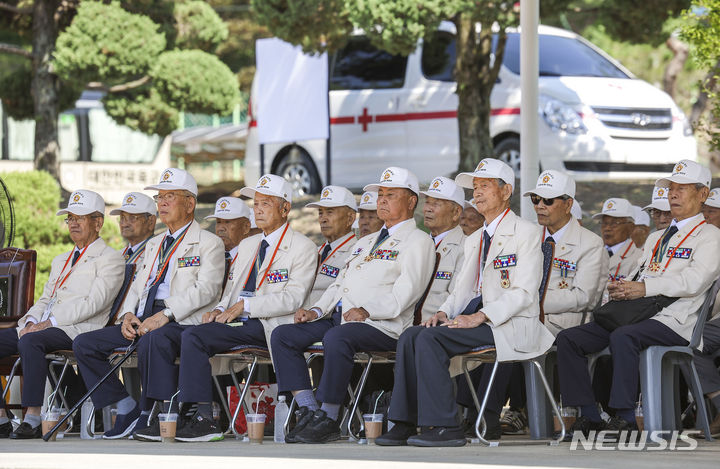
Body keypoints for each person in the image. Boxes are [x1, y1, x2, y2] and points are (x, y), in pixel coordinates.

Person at [376, 158, 554, 447]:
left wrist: (480, 316)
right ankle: (404, 422)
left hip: (508, 323)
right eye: (475, 187)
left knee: (430, 341)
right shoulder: (475, 238)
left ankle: (446, 425)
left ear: (506, 191)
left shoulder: (527, 233)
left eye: (484, 186)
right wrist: (444, 311)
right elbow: (461, 290)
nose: (477, 193)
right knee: (411, 335)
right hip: (476, 318)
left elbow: (524, 292)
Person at [557, 159, 720, 441]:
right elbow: (640, 274)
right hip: (637, 313)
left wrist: (644, 288)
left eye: (682, 188)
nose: (673, 194)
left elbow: (694, 282)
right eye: (671, 188)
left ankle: (626, 417)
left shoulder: (711, 236)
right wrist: (623, 287)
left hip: (676, 320)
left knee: (623, 336)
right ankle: (589, 415)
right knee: (569, 339)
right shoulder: (657, 237)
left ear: (702, 194)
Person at [284, 167, 435, 444]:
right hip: (344, 319)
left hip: (383, 325)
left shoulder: (419, 241)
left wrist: (367, 310)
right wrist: (316, 310)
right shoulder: (365, 241)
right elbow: (340, 284)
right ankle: (309, 409)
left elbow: (407, 293)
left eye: (391, 194)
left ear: (411, 202)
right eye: (380, 194)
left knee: (338, 336)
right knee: (284, 334)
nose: (382, 200)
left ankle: (329, 417)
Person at [73, 168, 225, 440]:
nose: (162, 203)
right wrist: (129, 314)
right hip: (145, 317)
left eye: (170, 196)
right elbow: (138, 284)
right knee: (85, 344)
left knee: (154, 339)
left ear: (190, 204)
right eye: (159, 197)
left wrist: (166, 314)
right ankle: (126, 405)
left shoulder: (209, 242)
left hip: (181, 319)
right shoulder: (155, 244)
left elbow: (207, 289)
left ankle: (156, 412)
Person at [174, 174, 317, 442]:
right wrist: (219, 309)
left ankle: (203, 418)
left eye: (266, 203)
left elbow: (294, 299)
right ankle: (198, 413)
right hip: (240, 320)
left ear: (285, 209)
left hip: (270, 324)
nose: (258, 209)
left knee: (194, 337)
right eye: (256, 204)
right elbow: (232, 289)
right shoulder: (250, 244)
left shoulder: (303, 247)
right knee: (193, 333)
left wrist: (246, 305)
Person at [0, 190, 124, 439]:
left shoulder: (110, 258)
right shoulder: (61, 259)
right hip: (45, 326)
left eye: (80, 218)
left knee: (31, 340)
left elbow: (94, 303)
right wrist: (32, 320)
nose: (73, 223)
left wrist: (48, 322)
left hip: (78, 328)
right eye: (70, 218)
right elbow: (45, 299)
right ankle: (2, 418)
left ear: (98, 222)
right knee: (23, 336)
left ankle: (34, 417)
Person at [269, 186, 358, 443]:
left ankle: (323, 416)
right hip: (315, 317)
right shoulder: (320, 250)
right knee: (281, 335)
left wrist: (316, 310)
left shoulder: (357, 248)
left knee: (298, 336)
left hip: (337, 318)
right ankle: (309, 409)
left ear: (351, 217)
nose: (323, 218)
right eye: (320, 212)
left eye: (330, 212)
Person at [525, 170, 608, 335]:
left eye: (548, 200)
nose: (539, 206)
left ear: (568, 204)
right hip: (522, 316)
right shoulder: (528, 234)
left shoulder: (590, 243)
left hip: (561, 325)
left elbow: (584, 297)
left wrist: (532, 301)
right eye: (535, 199)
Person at [418, 176, 466, 323]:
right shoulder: (417, 243)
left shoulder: (466, 247)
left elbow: (457, 298)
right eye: (427, 202)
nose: (427, 209)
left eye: (436, 204)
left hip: (434, 327)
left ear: (456, 212)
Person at [204, 196, 252, 289]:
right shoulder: (208, 255)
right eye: (218, 222)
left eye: (227, 222)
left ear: (246, 227)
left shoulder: (254, 258)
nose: (220, 228)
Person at [593, 198, 642, 282]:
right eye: (604, 223)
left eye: (614, 223)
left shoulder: (639, 259)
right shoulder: (593, 252)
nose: (607, 228)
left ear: (631, 227)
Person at [111, 192, 157, 266]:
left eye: (132, 218)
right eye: (122, 218)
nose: (124, 224)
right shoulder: (117, 256)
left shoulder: (157, 254)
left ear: (151, 221)